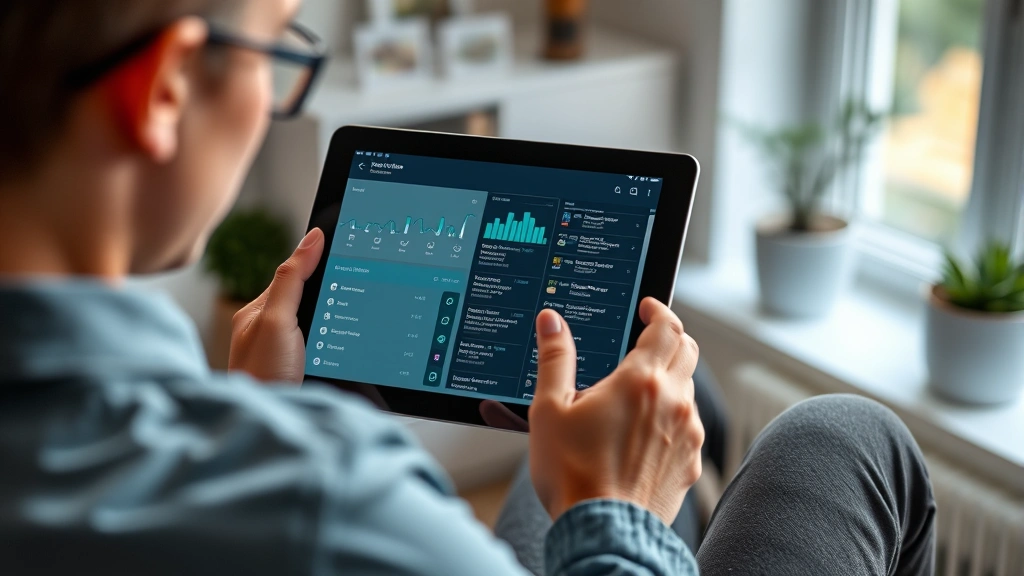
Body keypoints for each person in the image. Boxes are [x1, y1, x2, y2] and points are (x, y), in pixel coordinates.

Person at [0, 0, 936, 574]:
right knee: (846, 437)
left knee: (673, 407)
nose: (272, 99)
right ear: (163, 92)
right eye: (278, 55)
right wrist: (618, 520)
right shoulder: (326, 501)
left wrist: (245, 414)